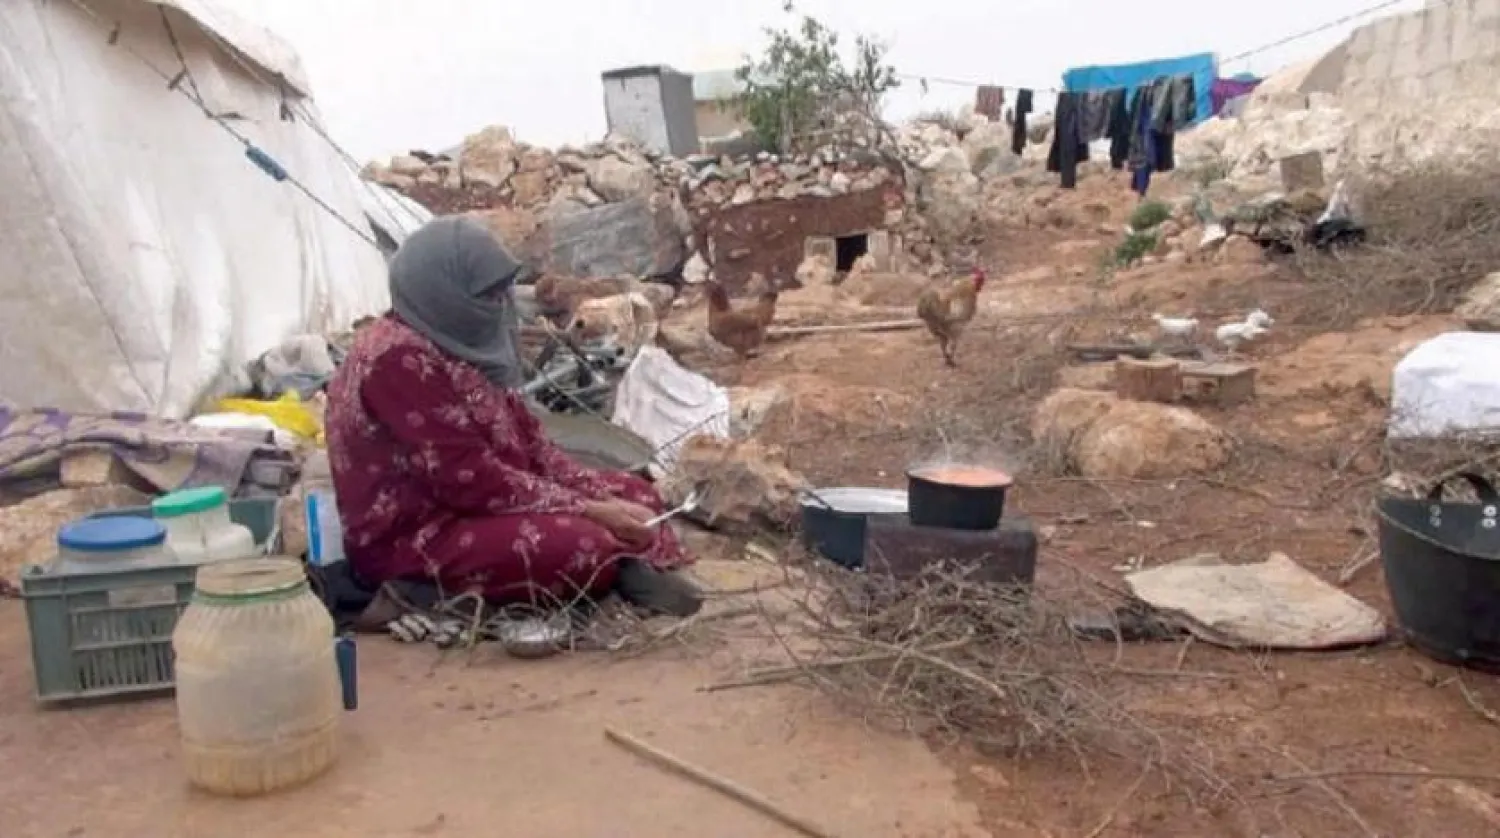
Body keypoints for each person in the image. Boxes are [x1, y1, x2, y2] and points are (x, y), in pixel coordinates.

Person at [324, 216, 699, 616]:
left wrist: (596, 493)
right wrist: (588, 509)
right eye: (486, 296)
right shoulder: (397, 360)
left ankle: (622, 567)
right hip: (421, 530)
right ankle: (420, 591)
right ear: (445, 291)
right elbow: (468, 481)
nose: (499, 307)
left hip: (491, 501)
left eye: (501, 292)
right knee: (583, 543)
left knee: (637, 494)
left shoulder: (457, 339)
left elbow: (533, 444)